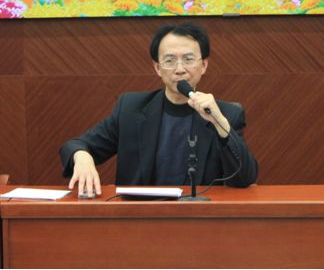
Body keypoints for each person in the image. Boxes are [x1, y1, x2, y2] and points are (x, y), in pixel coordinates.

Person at [59, 22, 258, 197]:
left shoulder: (225, 114)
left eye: (188, 59)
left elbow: (244, 178)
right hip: (140, 217)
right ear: (157, 68)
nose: (180, 69)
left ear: (204, 65)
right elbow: (76, 145)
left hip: (199, 218)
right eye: (170, 61)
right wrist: (82, 156)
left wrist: (219, 122)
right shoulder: (131, 108)